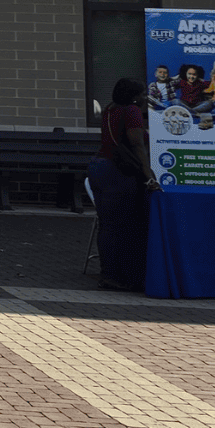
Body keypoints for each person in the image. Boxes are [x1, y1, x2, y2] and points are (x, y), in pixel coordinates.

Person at [89, 77, 158, 291]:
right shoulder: (131, 112)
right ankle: (124, 276)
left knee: (107, 225)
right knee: (126, 225)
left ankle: (108, 273)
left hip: (99, 167)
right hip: (118, 171)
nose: (144, 97)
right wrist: (149, 176)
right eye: (142, 94)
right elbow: (137, 145)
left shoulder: (110, 109)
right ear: (133, 97)